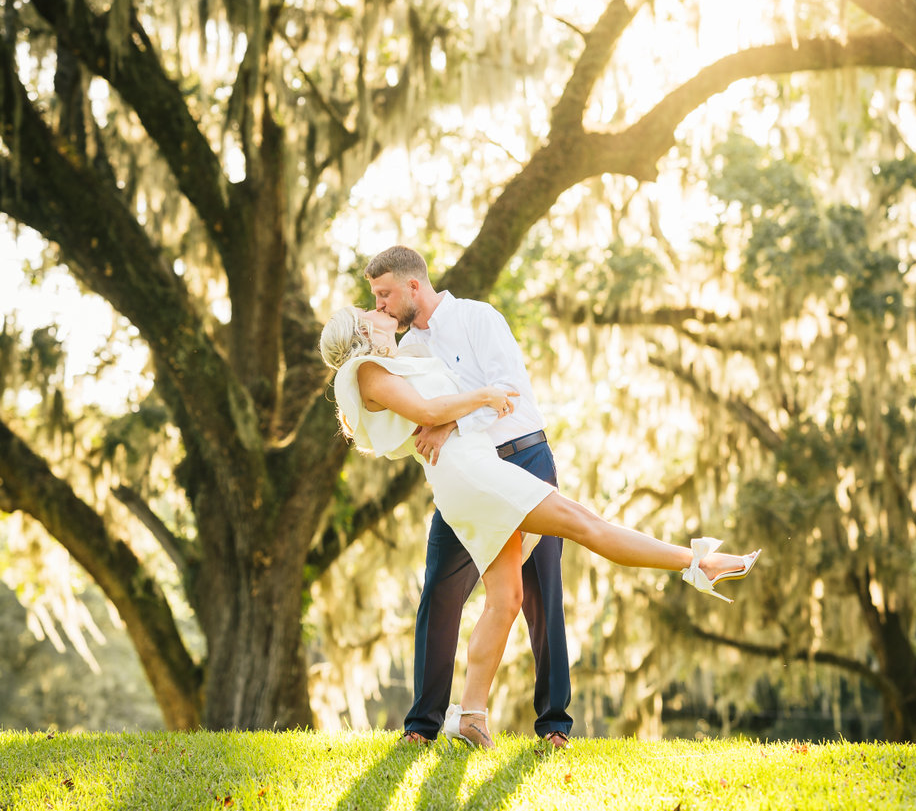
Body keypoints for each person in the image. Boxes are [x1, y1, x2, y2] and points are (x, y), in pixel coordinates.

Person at [319, 304, 761, 749]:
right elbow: (429, 409)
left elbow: (431, 412)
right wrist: (484, 396)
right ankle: (699, 563)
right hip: (475, 479)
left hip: (469, 474)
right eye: (367, 308)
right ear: (359, 329)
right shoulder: (364, 371)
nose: (376, 308)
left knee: (506, 598)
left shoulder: (389, 363)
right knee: (586, 524)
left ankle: (470, 715)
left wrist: (458, 411)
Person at [365, 246, 573, 750]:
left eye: (385, 294)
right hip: (466, 478)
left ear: (414, 286)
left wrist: (450, 421)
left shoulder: (478, 317)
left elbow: (508, 390)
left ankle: (553, 726)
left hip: (523, 459)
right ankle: (422, 725)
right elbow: (408, 414)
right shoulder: (403, 350)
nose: (380, 307)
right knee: (439, 591)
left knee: (541, 592)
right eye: (375, 298)